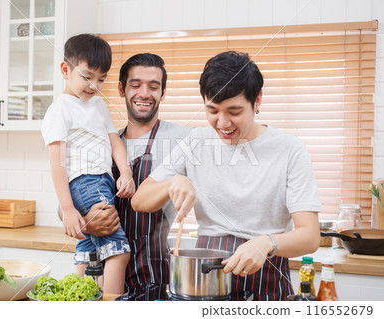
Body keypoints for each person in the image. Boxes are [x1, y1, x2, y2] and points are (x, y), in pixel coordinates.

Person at [131, 51, 321, 301]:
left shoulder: (289, 149)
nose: (222, 123)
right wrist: (173, 182)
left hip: (267, 275)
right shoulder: (196, 141)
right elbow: (139, 200)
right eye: (212, 110)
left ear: (258, 100)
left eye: (234, 111)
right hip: (204, 278)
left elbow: (310, 236)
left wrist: (265, 243)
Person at [87, 53, 193, 299]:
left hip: (154, 275)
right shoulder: (104, 142)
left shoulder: (183, 139)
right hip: (101, 273)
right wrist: (85, 219)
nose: (144, 93)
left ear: (163, 93)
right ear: (121, 89)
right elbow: (68, 201)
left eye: (153, 87)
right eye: (135, 85)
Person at [41, 34, 135, 294]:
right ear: (65, 69)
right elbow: (57, 163)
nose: (94, 85)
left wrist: (125, 172)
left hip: (100, 180)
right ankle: (110, 307)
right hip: (86, 182)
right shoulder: (60, 109)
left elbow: (115, 141)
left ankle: (83, 300)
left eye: (101, 79)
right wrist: (68, 209)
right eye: (87, 76)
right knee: (118, 251)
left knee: (89, 249)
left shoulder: (98, 105)